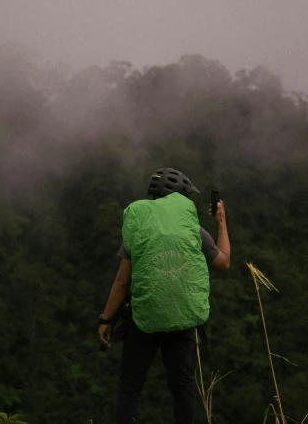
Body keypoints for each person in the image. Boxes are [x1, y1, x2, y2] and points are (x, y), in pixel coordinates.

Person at [98, 168, 231, 424]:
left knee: (130, 389)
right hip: (181, 318)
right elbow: (223, 263)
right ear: (180, 195)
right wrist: (222, 223)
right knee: (182, 388)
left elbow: (122, 281)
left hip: (142, 318)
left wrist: (105, 319)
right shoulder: (193, 228)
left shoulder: (138, 227)